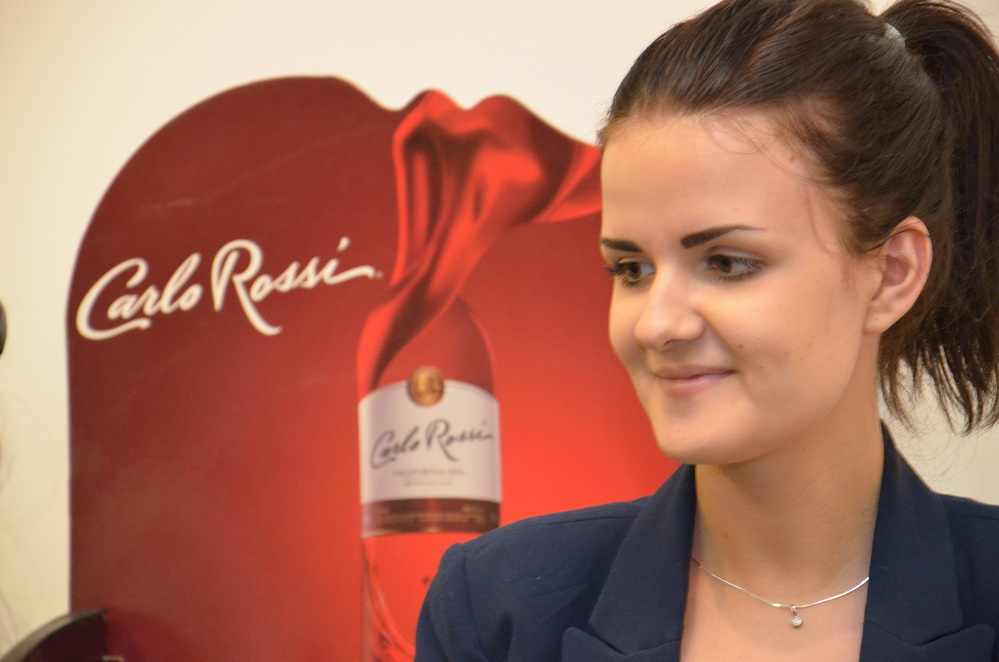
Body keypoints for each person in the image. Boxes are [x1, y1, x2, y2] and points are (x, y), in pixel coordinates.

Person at [414, 0, 999, 659]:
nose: (657, 323)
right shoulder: (500, 608)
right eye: (631, 268)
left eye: (726, 263)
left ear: (891, 274)